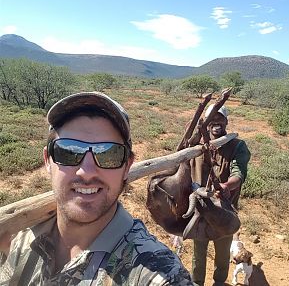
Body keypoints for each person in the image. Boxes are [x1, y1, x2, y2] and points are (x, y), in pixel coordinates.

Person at [0, 92, 193, 285]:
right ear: (47, 161)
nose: (86, 172)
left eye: (108, 154)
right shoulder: (15, 238)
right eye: (69, 151)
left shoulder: (156, 272)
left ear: (127, 166)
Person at [190, 104, 251, 286]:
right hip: (200, 211)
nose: (216, 123)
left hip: (224, 211)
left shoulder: (237, 145)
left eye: (220, 119)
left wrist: (226, 185)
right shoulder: (197, 145)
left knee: (223, 254)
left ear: (227, 121)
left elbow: (238, 173)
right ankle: (196, 283)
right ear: (206, 123)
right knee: (198, 254)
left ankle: (219, 282)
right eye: (212, 120)